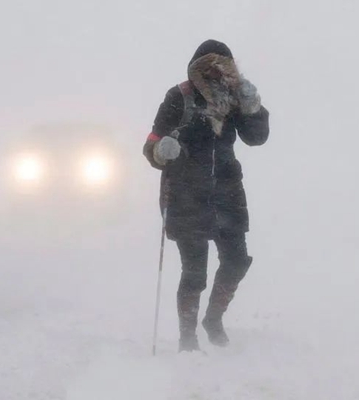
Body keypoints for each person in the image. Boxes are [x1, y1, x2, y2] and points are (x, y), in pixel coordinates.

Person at [143, 39, 270, 352]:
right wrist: (161, 150)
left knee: (237, 260)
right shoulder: (179, 97)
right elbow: (152, 145)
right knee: (195, 271)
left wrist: (254, 109)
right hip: (187, 193)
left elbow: (256, 138)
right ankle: (188, 337)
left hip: (227, 192)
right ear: (197, 68)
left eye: (223, 67)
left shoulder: (234, 98)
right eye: (209, 68)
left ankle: (213, 318)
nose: (216, 74)